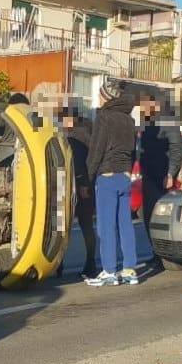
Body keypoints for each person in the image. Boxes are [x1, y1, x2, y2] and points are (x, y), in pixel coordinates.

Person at [85, 78, 138, 286]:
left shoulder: (104, 118)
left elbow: (96, 150)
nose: (97, 98)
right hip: (125, 175)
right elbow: (134, 150)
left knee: (106, 226)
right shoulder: (129, 119)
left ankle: (108, 270)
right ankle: (130, 269)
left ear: (106, 97)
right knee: (125, 224)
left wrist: (88, 179)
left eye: (99, 94)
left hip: (107, 175)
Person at [137, 89, 182, 251]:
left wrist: (171, 173)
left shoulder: (168, 120)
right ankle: (156, 252)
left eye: (145, 104)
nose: (142, 107)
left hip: (163, 176)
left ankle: (164, 252)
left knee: (161, 216)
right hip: (148, 174)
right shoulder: (147, 121)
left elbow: (177, 148)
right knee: (148, 215)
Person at [58, 103, 97, 279]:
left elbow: (79, 163)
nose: (62, 124)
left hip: (78, 186)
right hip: (86, 186)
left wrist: (82, 184)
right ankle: (91, 263)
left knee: (62, 225)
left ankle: (59, 263)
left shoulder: (75, 137)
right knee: (86, 225)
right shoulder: (88, 132)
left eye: (63, 120)